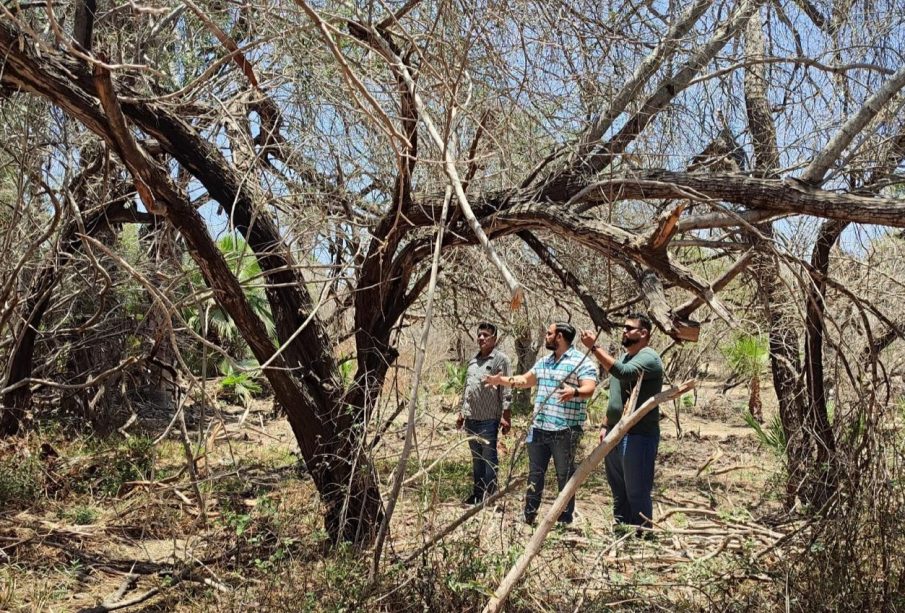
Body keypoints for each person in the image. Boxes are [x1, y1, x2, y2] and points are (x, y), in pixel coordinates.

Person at [484, 322, 597, 524]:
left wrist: (575, 392)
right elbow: (526, 380)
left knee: (565, 476)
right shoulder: (545, 362)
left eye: (549, 333)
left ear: (560, 336)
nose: (546, 336)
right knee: (535, 473)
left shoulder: (582, 361)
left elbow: (589, 388)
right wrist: (501, 381)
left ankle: (563, 518)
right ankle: (529, 514)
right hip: (539, 428)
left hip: (565, 430)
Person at [580, 314, 663, 533]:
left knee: (637, 490)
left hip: (638, 436)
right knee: (618, 488)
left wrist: (594, 348)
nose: (624, 331)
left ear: (643, 333)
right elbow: (616, 397)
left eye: (629, 328)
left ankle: (643, 537)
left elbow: (624, 373)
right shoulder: (625, 358)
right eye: (624, 328)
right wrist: (605, 426)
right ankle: (621, 530)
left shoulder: (649, 358)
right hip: (615, 434)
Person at [456, 322, 512, 504]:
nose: (481, 338)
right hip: (471, 418)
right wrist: (461, 413)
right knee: (476, 458)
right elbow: (466, 388)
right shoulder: (473, 361)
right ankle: (477, 494)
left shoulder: (500, 360)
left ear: (494, 338)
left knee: (489, 457)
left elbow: (507, 388)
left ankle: (490, 495)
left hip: (489, 418)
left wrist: (506, 415)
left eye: (486, 335)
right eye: (479, 335)